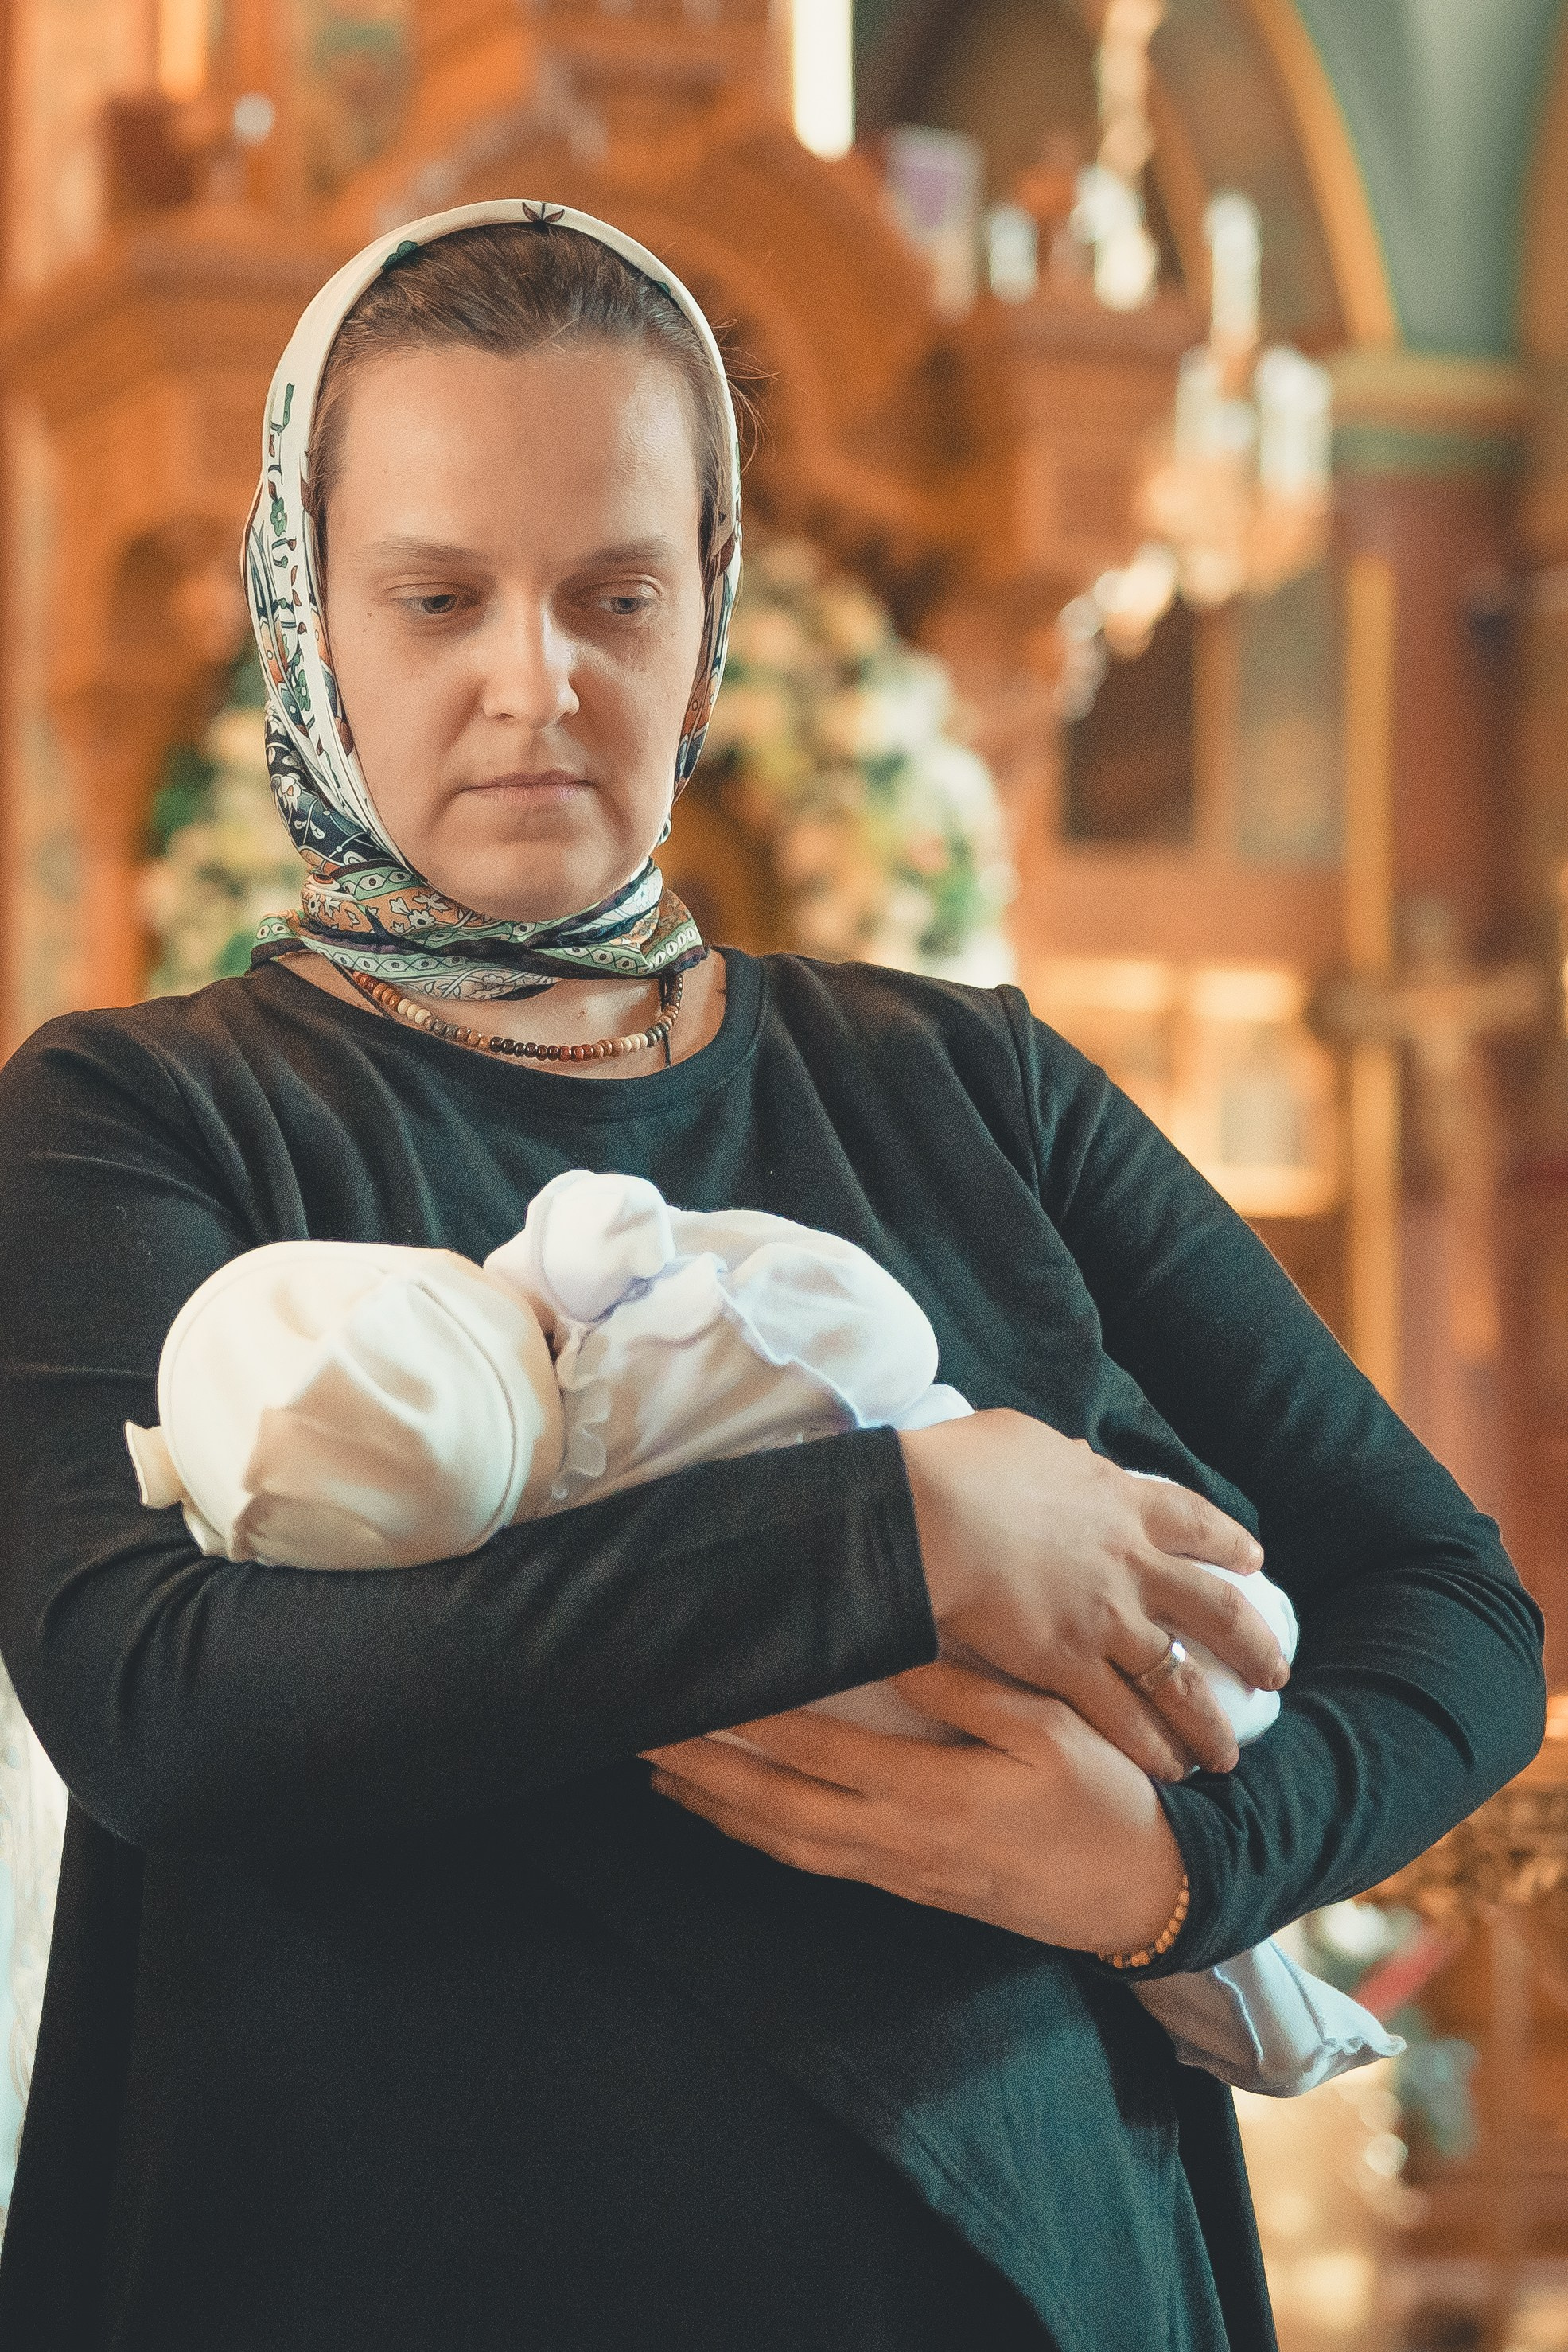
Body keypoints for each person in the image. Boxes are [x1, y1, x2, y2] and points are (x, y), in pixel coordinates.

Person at [0, 200, 1544, 2352]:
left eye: (614, 594)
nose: (534, 677)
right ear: (308, 614)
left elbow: (1454, 1609)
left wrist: (1182, 1867)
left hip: (1018, 2279)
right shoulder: (136, 1116)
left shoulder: (965, 1082)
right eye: (437, 596)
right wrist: (901, 1532)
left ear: (708, 617)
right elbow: (167, 1701)